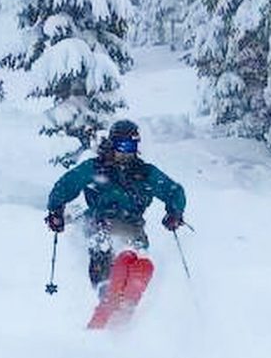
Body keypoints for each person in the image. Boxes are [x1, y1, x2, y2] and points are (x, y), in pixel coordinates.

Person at [44, 119, 186, 294]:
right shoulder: (96, 168)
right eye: (123, 146)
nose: (127, 153)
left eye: (132, 147)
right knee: (102, 242)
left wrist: (175, 212)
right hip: (99, 221)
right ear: (112, 145)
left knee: (134, 248)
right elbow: (65, 185)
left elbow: (174, 191)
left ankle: (133, 287)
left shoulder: (144, 173)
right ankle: (104, 288)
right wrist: (56, 210)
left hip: (131, 224)